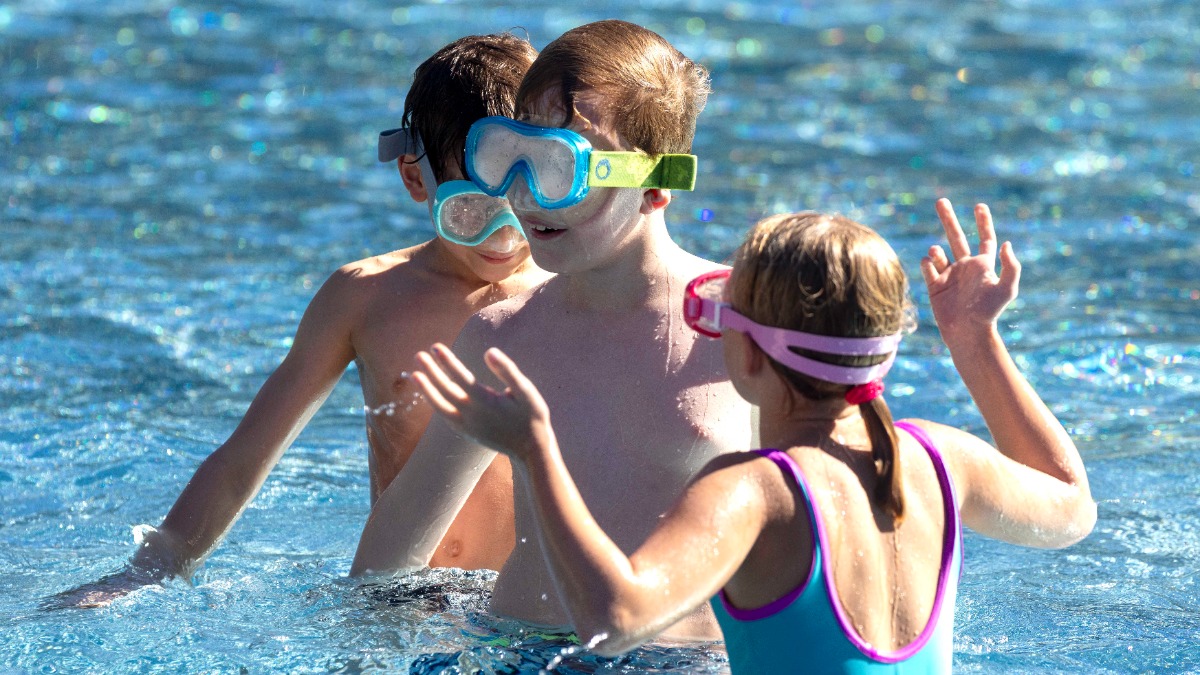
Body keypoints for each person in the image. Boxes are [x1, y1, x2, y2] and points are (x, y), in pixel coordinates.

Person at [409, 200, 1097, 672]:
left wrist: (535, 448)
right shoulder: (941, 458)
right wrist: (978, 343)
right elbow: (1072, 509)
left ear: (747, 352)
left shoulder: (754, 492)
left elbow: (611, 621)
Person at [50, 33, 552, 608]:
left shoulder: (571, 295)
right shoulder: (367, 298)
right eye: (471, 212)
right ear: (417, 180)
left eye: (526, 205)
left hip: (526, 603)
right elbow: (245, 457)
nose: (506, 236)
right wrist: (150, 567)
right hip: (404, 597)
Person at [350, 20, 753, 641]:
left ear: (654, 184)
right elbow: (396, 546)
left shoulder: (745, 324)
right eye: (509, 157)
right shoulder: (502, 337)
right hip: (518, 651)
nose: (522, 195)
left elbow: (849, 512)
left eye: (556, 168)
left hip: (685, 660)